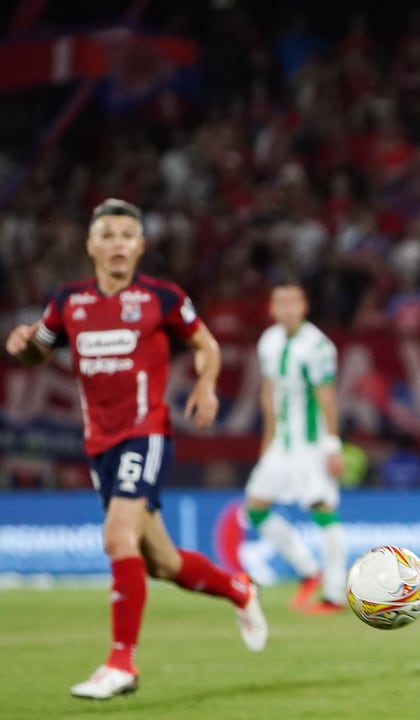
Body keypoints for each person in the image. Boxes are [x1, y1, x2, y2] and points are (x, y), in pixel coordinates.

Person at [5, 199, 268, 700]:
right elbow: (40, 348)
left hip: (144, 433)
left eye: (127, 234)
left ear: (141, 245)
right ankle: (238, 588)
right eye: (107, 235)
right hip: (98, 444)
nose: (117, 243)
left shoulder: (161, 298)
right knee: (161, 563)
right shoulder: (67, 302)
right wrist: (24, 344)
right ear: (91, 246)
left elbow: (206, 345)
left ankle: (121, 662)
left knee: (116, 534)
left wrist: (207, 385)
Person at [242, 279, 348, 614]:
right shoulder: (269, 341)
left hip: (312, 444)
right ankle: (308, 571)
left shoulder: (318, 346)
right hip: (282, 443)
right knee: (255, 505)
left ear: (304, 306)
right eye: (280, 303)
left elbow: (327, 398)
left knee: (322, 509)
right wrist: (267, 442)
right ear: (272, 308)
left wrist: (332, 446)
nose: (287, 309)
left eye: (293, 302)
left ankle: (334, 593)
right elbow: (268, 395)